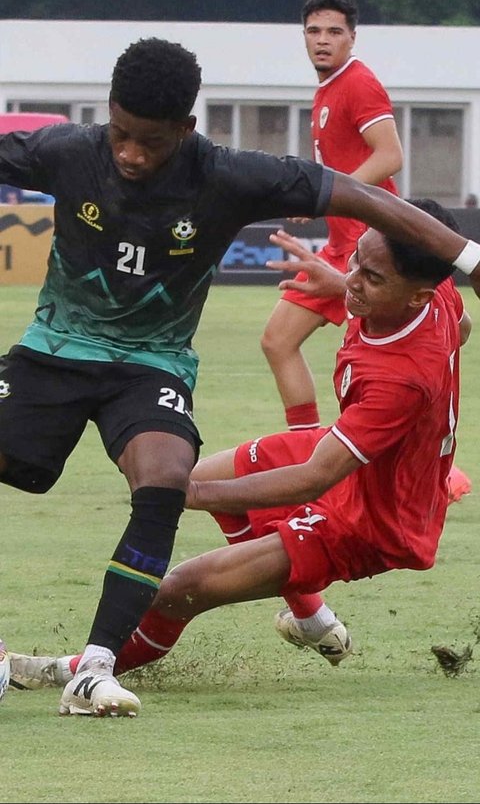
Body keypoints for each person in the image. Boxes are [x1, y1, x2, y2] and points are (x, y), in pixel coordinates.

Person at [3, 35, 465, 719]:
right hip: (75, 357)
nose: (129, 154)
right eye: (121, 135)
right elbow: (433, 304)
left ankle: (86, 667)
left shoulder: (400, 379)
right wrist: (352, 285)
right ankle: (308, 616)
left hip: (354, 499)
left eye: (371, 276)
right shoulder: (437, 304)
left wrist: (178, 497)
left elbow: (316, 478)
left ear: (187, 131)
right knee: (217, 477)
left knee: (172, 533)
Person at [261, 0, 403, 431]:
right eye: (314, 31)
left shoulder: (358, 82)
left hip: (373, 248)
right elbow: (344, 169)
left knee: (374, 369)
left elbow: (390, 156)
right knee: (277, 341)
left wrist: (331, 194)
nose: (323, 40)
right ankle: (307, 449)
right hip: (343, 245)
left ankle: (411, 464)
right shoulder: (327, 90)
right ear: (303, 36)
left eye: (334, 32)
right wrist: (317, 200)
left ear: (352, 38)